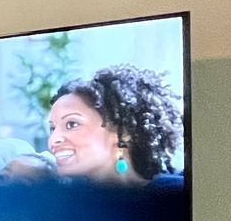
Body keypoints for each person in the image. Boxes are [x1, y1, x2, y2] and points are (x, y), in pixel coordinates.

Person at [46, 66, 184, 186]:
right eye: (52, 128)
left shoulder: (179, 196)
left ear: (122, 132)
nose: (53, 140)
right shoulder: (56, 201)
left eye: (72, 124)